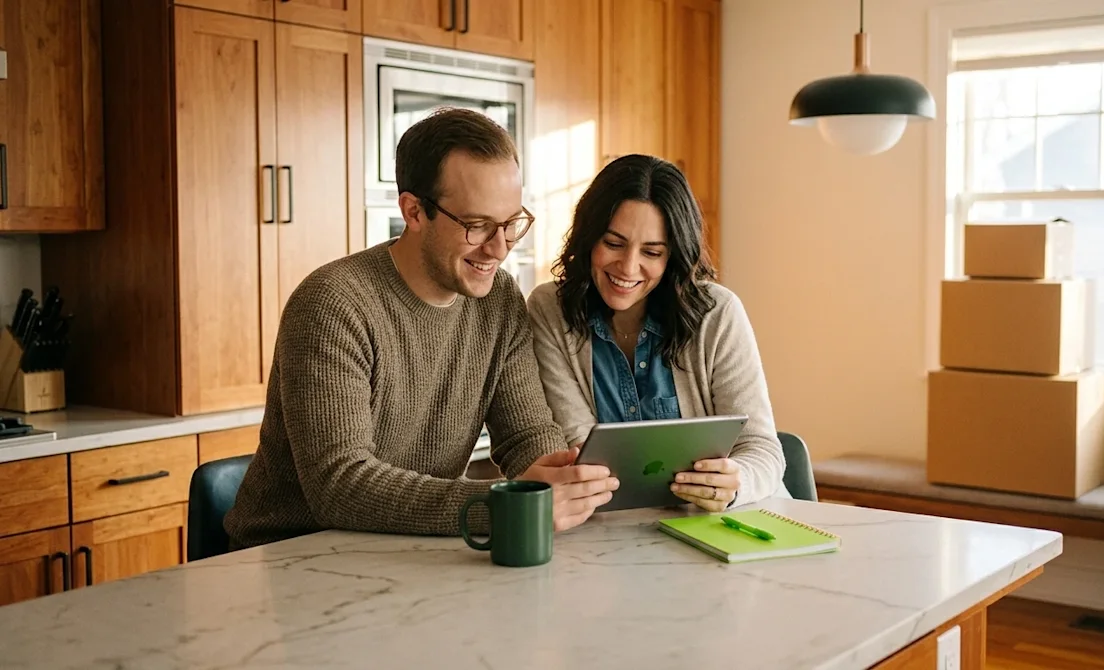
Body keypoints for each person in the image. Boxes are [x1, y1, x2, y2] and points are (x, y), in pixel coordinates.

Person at [224, 108, 619, 550]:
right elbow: (340, 485)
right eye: (477, 225)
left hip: (404, 551)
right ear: (414, 211)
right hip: (290, 557)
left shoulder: (499, 298)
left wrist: (564, 478)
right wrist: (503, 505)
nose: (499, 247)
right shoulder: (333, 303)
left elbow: (526, 434)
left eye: (511, 224)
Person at [526, 154, 787, 513]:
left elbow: (762, 448)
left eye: (651, 251)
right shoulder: (549, 310)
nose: (628, 267)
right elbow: (579, 450)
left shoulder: (717, 312)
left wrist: (735, 483)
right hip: (614, 534)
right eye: (614, 244)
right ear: (589, 237)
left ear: (673, 257)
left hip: (730, 522)